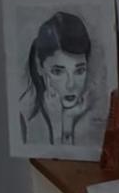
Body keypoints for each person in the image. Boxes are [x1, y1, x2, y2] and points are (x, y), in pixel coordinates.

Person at [19, 11, 94, 147]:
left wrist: (67, 118)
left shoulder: (90, 114)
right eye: (58, 72)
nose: (71, 85)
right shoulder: (23, 117)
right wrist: (57, 124)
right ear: (40, 66)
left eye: (79, 71)